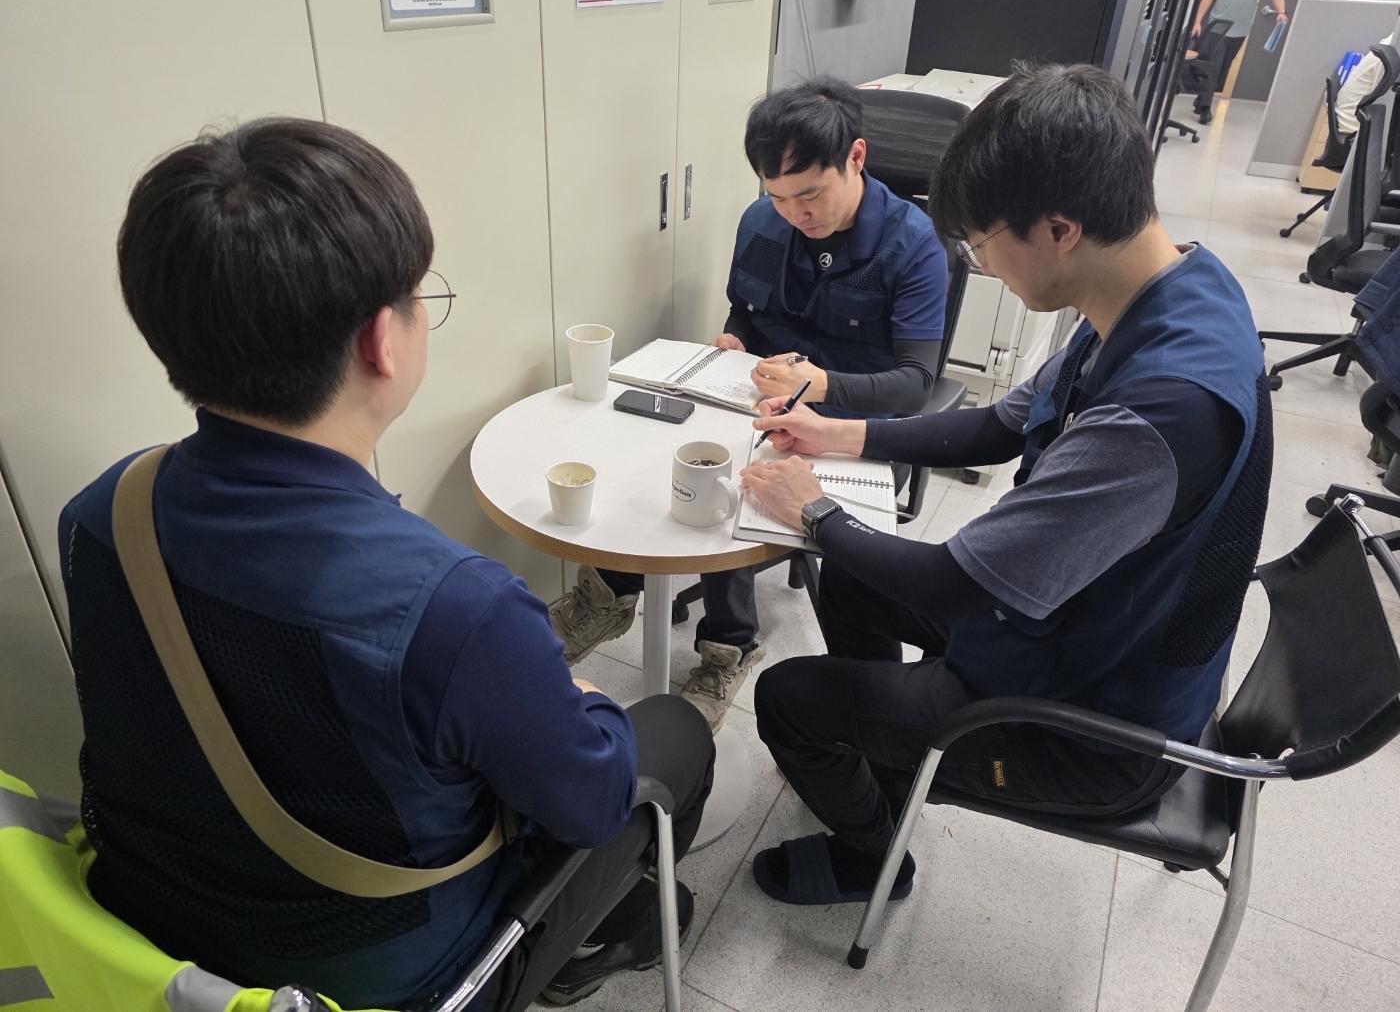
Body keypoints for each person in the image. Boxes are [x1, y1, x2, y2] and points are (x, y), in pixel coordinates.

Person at [59, 117, 714, 1010]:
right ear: (382, 340)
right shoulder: (457, 610)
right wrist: (586, 702)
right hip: (393, 982)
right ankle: (608, 935)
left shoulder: (104, 511)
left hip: (161, 936)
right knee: (671, 732)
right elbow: (592, 805)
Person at [738, 62, 1272, 906]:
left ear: (1058, 230)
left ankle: (872, 861)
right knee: (852, 577)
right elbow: (999, 424)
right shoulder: (1163, 289)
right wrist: (836, 433)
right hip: (1079, 629)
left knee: (787, 696)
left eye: (982, 246)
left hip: (1093, 725)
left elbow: (953, 586)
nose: (981, 265)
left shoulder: (1162, 413)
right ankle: (884, 754)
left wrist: (815, 511)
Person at [549, 78, 948, 731]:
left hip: (857, 426)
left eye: (809, 194)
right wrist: (736, 341)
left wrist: (820, 384)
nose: (795, 213)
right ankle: (607, 595)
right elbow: (748, 312)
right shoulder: (762, 222)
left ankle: (727, 647)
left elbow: (916, 383)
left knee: (735, 482)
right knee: (665, 445)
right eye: (778, 196)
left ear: (856, 157)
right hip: (758, 399)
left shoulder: (914, 244)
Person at [1190, 0, 1288, 123]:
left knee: (1222, 71)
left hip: (1240, 30)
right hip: (1218, 28)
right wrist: (1197, 22)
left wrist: (1282, 12)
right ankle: (1205, 108)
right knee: (1213, 68)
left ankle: (1201, 100)